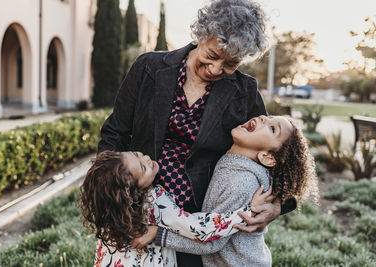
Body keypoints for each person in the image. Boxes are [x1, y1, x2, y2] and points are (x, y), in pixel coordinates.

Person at [97, 0, 296, 265]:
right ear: (200, 36)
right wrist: (107, 195)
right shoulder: (149, 68)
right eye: (212, 56)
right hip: (137, 209)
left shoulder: (244, 92)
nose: (216, 69)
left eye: (231, 64)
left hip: (198, 227)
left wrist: (278, 205)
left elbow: (282, 157)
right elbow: (114, 134)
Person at [80, 150, 270, 267]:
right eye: (143, 168)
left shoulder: (110, 215)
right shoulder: (154, 203)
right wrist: (247, 212)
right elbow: (201, 229)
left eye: (137, 154)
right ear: (132, 190)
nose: (146, 158)